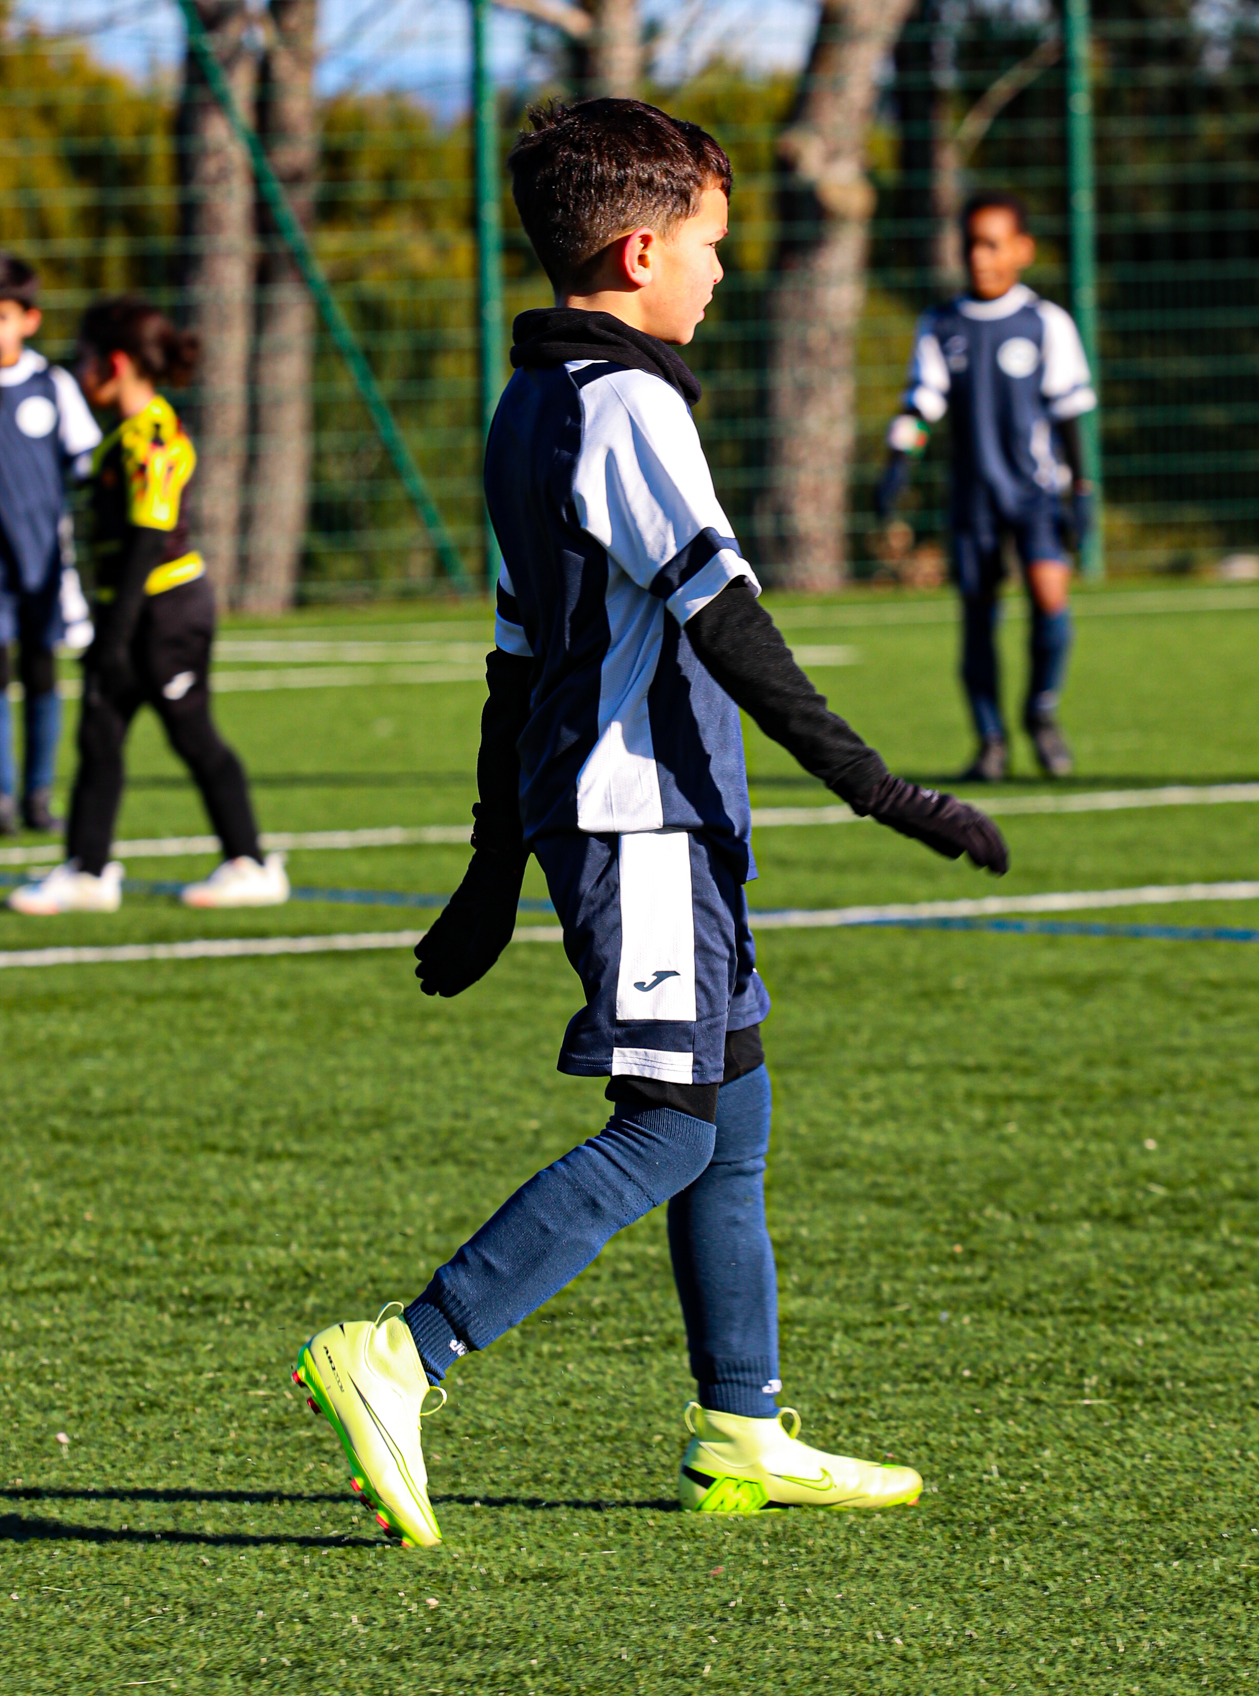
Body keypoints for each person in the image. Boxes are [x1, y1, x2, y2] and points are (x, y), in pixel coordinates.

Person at [291, 97, 1009, 1549]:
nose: (723, 275)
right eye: (710, 247)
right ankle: (404, 1352)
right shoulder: (629, 404)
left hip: (615, 811)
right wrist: (884, 790)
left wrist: (491, 868)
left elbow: (514, 664)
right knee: (672, 1122)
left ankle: (740, 1425)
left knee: (732, 1110)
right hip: (646, 819)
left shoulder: (530, 406)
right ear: (636, 251)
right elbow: (726, 620)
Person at [9, 296, 288, 915]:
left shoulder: (153, 437)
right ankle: (88, 868)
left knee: (192, 734)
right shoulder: (127, 434)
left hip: (166, 614)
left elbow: (147, 538)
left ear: (112, 364)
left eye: (82, 360)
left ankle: (251, 863)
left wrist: (114, 634)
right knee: (100, 731)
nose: (77, 373)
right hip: (130, 611)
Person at [877, 191, 1097, 781]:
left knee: (1051, 597)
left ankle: (1041, 713)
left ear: (1022, 250)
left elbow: (1071, 412)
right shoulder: (942, 323)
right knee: (979, 616)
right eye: (972, 243)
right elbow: (922, 402)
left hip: (1036, 494)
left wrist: (1082, 488)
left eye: (993, 244)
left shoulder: (1045, 322)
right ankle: (990, 740)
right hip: (973, 496)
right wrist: (899, 461)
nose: (980, 256)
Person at [0, 254, 101, 836]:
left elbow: (86, 460)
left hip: (40, 563)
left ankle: (39, 794)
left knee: (41, 674)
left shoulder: (51, 383)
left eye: (5, 316)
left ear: (29, 320)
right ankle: (2, 798)